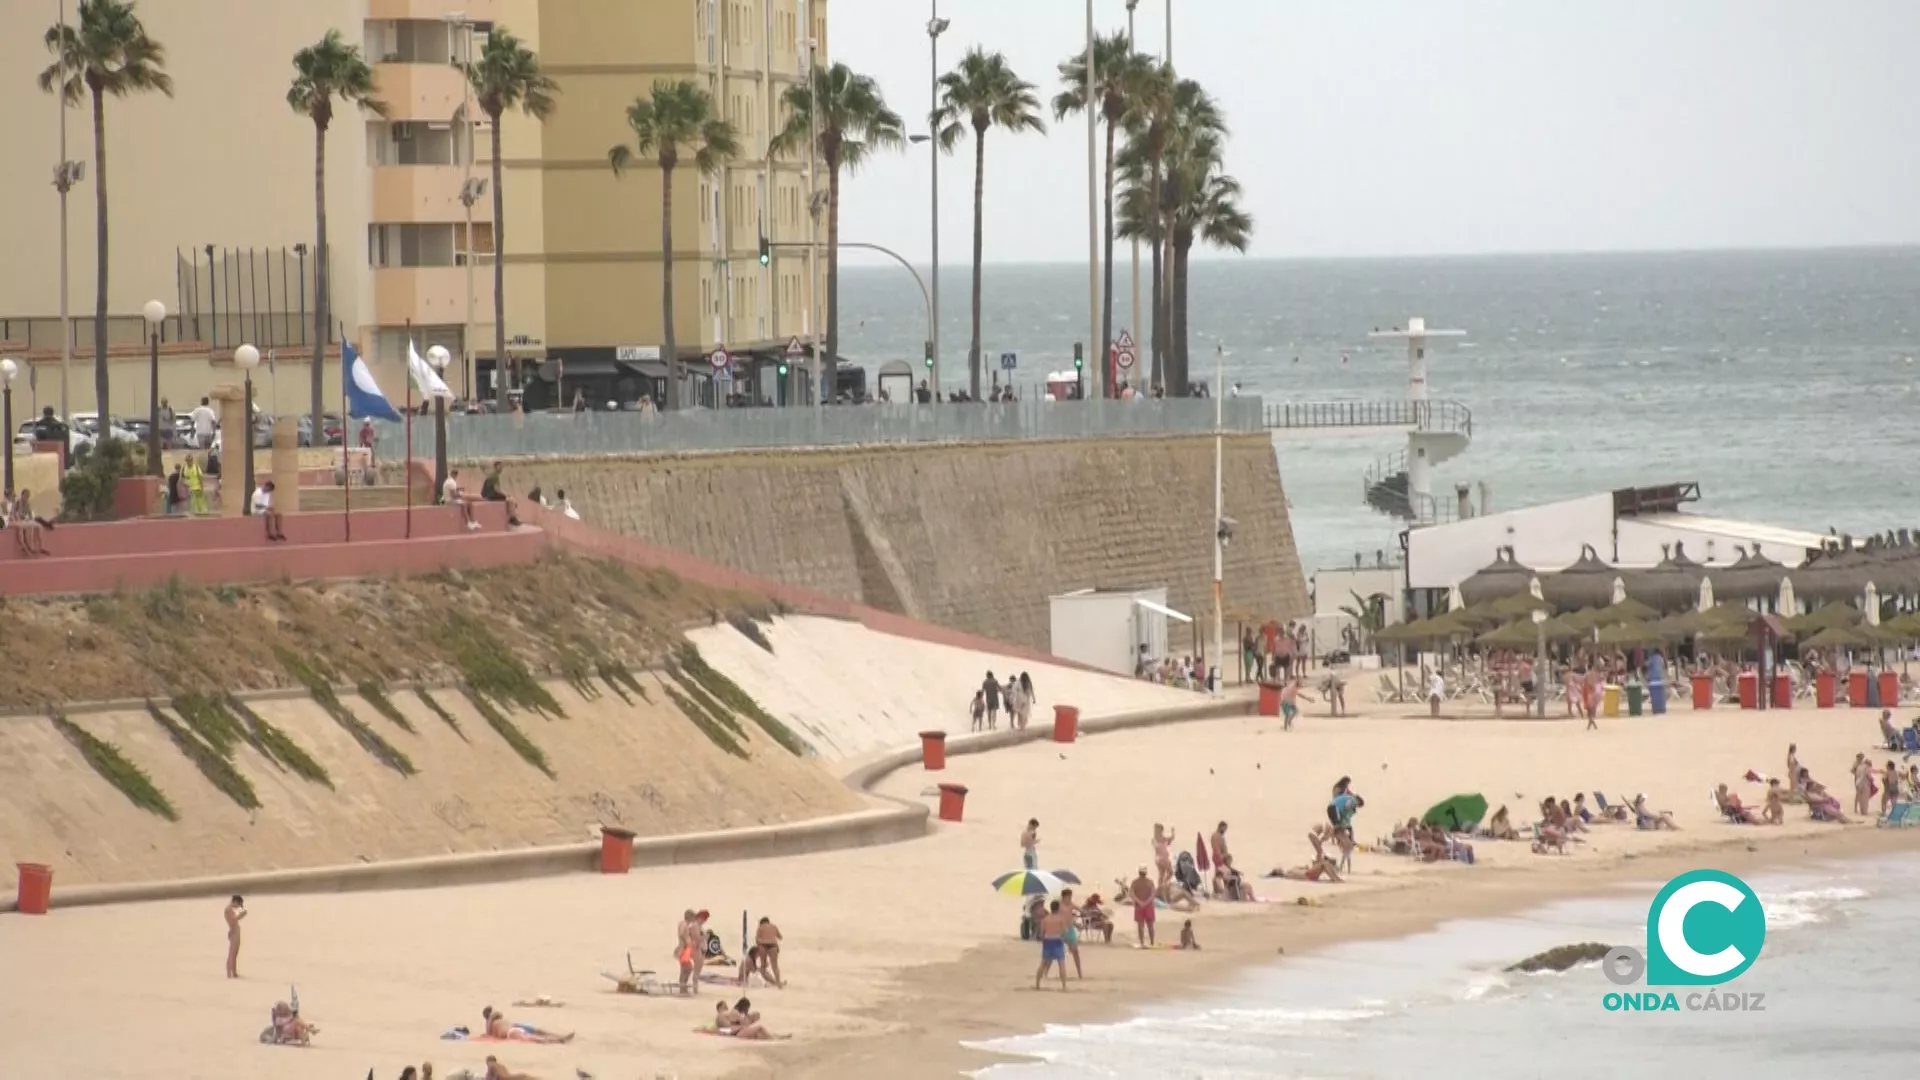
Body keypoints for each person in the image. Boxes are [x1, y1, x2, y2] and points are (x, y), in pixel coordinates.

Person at [480, 1006, 571, 1044]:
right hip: (514, 1028)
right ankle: (558, 1038)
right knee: (536, 1034)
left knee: (533, 1038)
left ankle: (557, 1040)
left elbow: (491, 1035)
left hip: (512, 1030)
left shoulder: (492, 1022)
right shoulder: (497, 1020)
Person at [1034, 899, 1070, 990]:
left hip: (1047, 941)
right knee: (1061, 964)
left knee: (1043, 963)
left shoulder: (1045, 919)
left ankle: (1037, 984)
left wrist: (1043, 939)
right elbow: (1065, 932)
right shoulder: (1061, 919)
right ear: (1058, 909)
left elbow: (1041, 934)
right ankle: (1064, 986)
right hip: (1057, 941)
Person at [479, 460, 521, 528]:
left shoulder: (493, 475)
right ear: (496, 467)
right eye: (500, 466)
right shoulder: (494, 476)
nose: (502, 468)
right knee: (510, 500)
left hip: (489, 494)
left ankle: (513, 516)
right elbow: (497, 490)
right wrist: (506, 495)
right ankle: (512, 518)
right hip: (490, 495)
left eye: (502, 466)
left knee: (509, 499)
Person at [1058, 887, 1084, 979]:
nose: (1070, 899)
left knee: (1075, 951)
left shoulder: (1071, 904)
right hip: (1060, 930)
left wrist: (1083, 912)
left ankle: (1079, 973)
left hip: (1070, 930)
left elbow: (1080, 909)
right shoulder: (1059, 905)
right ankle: (1045, 972)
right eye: (1068, 897)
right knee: (1055, 953)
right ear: (1063, 897)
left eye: (1070, 897)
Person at [1128, 867, 1157, 946]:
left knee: (1141, 925)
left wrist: (1139, 902)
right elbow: (1153, 894)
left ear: (1139, 872)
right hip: (1148, 906)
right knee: (1149, 925)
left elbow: (1131, 893)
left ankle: (1142, 942)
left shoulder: (1135, 882)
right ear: (1146, 873)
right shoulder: (1149, 882)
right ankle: (1151, 942)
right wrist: (1146, 902)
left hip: (1139, 906)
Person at [754, 916, 785, 988]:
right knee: (775, 966)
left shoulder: (760, 928)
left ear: (761, 923)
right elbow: (780, 937)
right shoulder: (774, 926)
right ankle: (778, 984)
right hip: (773, 945)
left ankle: (771, 982)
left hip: (763, 945)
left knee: (763, 967)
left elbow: (757, 940)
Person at [224, 894, 247, 978]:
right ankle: (229, 973)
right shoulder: (228, 909)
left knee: (234, 954)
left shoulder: (230, 909)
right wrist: (241, 915)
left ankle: (233, 972)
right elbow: (233, 920)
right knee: (232, 954)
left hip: (235, 931)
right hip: (234, 932)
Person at [1151, 823, 1176, 888]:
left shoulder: (1154, 839)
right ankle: (1164, 885)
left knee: (1161, 874)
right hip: (1164, 858)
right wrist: (1173, 831)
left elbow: (1161, 845)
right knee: (1170, 873)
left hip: (1157, 859)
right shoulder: (1162, 838)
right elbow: (1172, 838)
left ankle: (1160, 887)